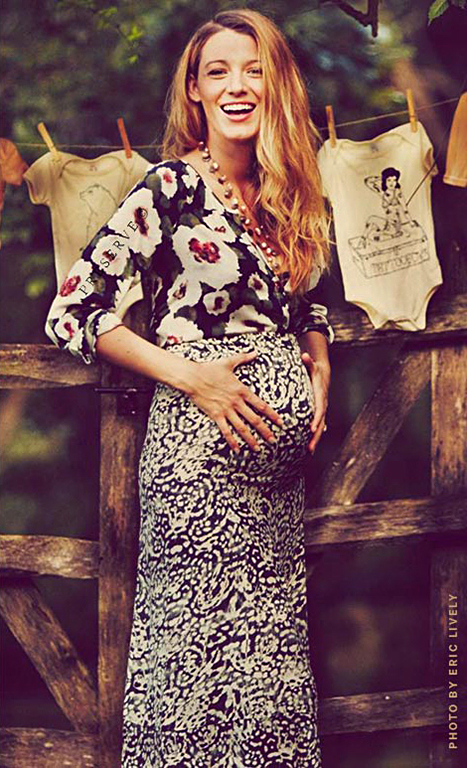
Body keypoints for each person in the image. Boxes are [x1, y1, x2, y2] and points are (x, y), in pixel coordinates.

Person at [45, 8, 334, 766]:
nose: (237, 86)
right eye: (218, 72)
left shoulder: (286, 191)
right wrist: (192, 377)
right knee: (195, 678)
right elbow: (73, 312)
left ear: (277, 86)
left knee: (265, 683)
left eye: (254, 70)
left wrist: (318, 360)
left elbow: (303, 300)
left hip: (273, 496)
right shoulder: (169, 187)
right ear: (196, 93)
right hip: (197, 474)